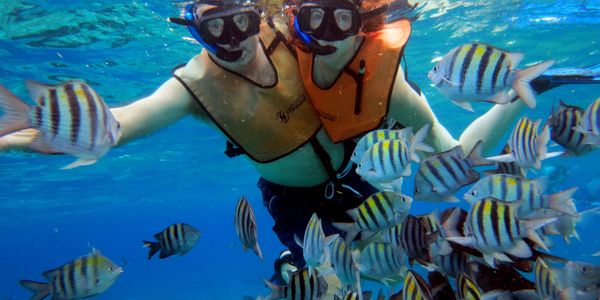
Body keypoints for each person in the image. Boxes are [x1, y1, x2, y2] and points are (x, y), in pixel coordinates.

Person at [0, 0, 598, 283]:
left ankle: (523, 87)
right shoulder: (192, 86)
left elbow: (447, 155)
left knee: (455, 165)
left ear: (264, 17)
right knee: (325, 281)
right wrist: (28, 138)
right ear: (196, 29)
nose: (234, 40)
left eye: (240, 20)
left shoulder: (313, 45)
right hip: (295, 207)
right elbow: (117, 126)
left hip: (370, 175)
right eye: (215, 28)